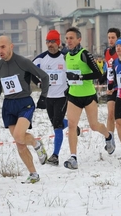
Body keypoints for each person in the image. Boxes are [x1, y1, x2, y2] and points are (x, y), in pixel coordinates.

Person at [0, 35, 49, 183]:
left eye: (3, 47)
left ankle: (36, 144)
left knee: (19, 136)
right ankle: (33, 174)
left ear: (11, 46)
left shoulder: (23, 62)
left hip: (24, 103)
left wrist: (43, 97)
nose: (0, 50)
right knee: (19, 144)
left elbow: (44, 77)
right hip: (8, 106)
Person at [63, 27, 115, 169]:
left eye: (71, 38)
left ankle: (108, 136)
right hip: (74, 96)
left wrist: (80, 77)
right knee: (72, 125)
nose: (69, 41)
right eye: (67, 38)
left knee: (94, 125)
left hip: (89, 96)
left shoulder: (84, 54)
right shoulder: (66, 55)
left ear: (79, 39)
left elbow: (98, 74)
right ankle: (73, 158)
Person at [32, 30, 80, 166]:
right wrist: (38, 83)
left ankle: (55, 156)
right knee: (55, 123)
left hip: (62, 96)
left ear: (58, 43)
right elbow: (28, 71)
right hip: (49, 97)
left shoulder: (65, 57)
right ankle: (72, 125)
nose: (50, 44)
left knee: (57, 125)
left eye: (53, 42)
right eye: (48, 42)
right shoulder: (41, 58)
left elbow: (75, 70)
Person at [104, 28, 120, 134]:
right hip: (111, 87)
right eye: (109, 37)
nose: (111, 40)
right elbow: (108, 69)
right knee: (110, 114)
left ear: (118, 38)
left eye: (113, 38)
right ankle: (110, 138)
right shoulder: (106, 51)